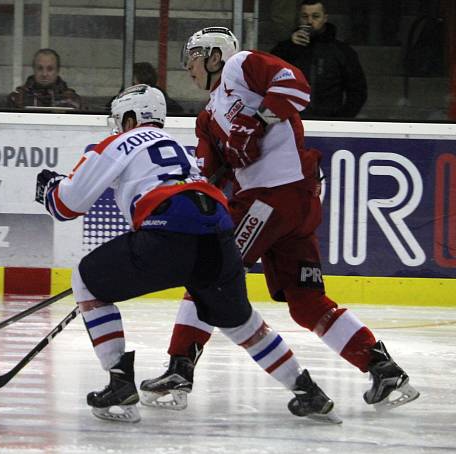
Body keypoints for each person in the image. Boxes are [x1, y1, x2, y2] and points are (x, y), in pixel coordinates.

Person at [140, 27, 418, 413]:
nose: (188, 68)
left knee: (208, 273)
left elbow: (296, 86)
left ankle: (179, 369)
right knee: (306, 302)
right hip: (289, 207)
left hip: (275, 196)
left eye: (192, 59)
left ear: (214, 56)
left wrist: (260, 119)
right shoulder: (207, 118)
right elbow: (209, 173)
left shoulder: (241, 66)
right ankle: (382, 368)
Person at [35, 84, 339, 424]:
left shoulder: (119, 142)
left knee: (87, 280)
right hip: (218, 233)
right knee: (240, 322)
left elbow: (66, 205)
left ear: (132, 118)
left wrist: (49, 187)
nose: (118, 126)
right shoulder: (179, 147)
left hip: (169, 231)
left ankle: (119, 382)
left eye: (121, 119)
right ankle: (307, 390)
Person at [270, 0, 367, 118]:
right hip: (291, 123)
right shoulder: (285, 48)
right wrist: (290, 46)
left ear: (325, 18)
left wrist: (340, 119)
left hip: (328, 124)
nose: (310, 21)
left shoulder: (342, 52)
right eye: (305, 16)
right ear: (299, 18)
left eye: (315, 16)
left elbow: (358, 92)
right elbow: (268, 76)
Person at [7, 48, 83, 109]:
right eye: (40, 68)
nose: (44, 74)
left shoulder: (73, 100)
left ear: (57, 70)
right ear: (34, 69)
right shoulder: (17, 99)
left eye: (50, 69)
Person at [106, 62, 184, 114]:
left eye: (133, 83)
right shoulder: (119, 100)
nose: (128, 88)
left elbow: (176, 111)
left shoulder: (163, 102)